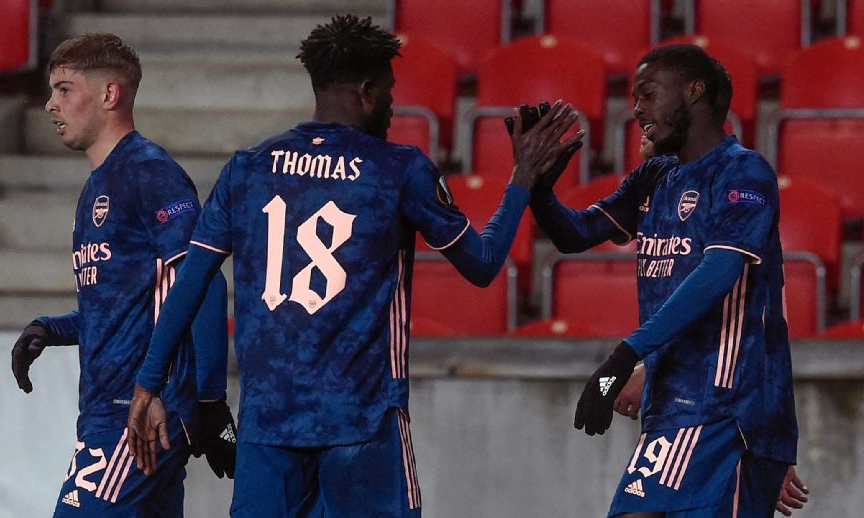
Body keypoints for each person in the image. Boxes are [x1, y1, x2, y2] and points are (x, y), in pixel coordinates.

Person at [123, 15, 583, 517]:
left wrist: (148, 383)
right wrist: (521, 180)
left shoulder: (248, 168)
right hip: (362, 425)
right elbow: (483, 263)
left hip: (269, 427)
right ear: (366, 90)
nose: (392, 104)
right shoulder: (398, 169)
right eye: (388, 90)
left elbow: (190, 282)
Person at [528, 44, 800, 517]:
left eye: (649, 95)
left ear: (695, 92)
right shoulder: (656, 176)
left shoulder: (743, 171)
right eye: (634, 99)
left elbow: (717, 272)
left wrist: (624, 355)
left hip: (726, 409)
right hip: (674, 408)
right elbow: (574, 235)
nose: (636, 110)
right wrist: (537, 189)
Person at [8, 33, 236, 516]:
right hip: (109, 411)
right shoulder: (99, 182)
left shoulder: (150, 173)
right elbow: (130, 301)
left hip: (136, 415)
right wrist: (54, 328)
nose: (50, 105)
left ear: (110, 94)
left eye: (65, 89)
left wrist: (209, 402)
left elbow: (204, 281)